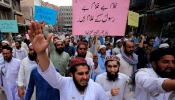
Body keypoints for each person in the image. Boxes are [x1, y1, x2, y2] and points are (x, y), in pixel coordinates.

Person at [27, 21, 108, 100]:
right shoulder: (64, 83)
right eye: (80, 73)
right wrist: (41, 53)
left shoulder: (96, 88)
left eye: (86, 73)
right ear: (71, 74)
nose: (85, 77)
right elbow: (49, 73)